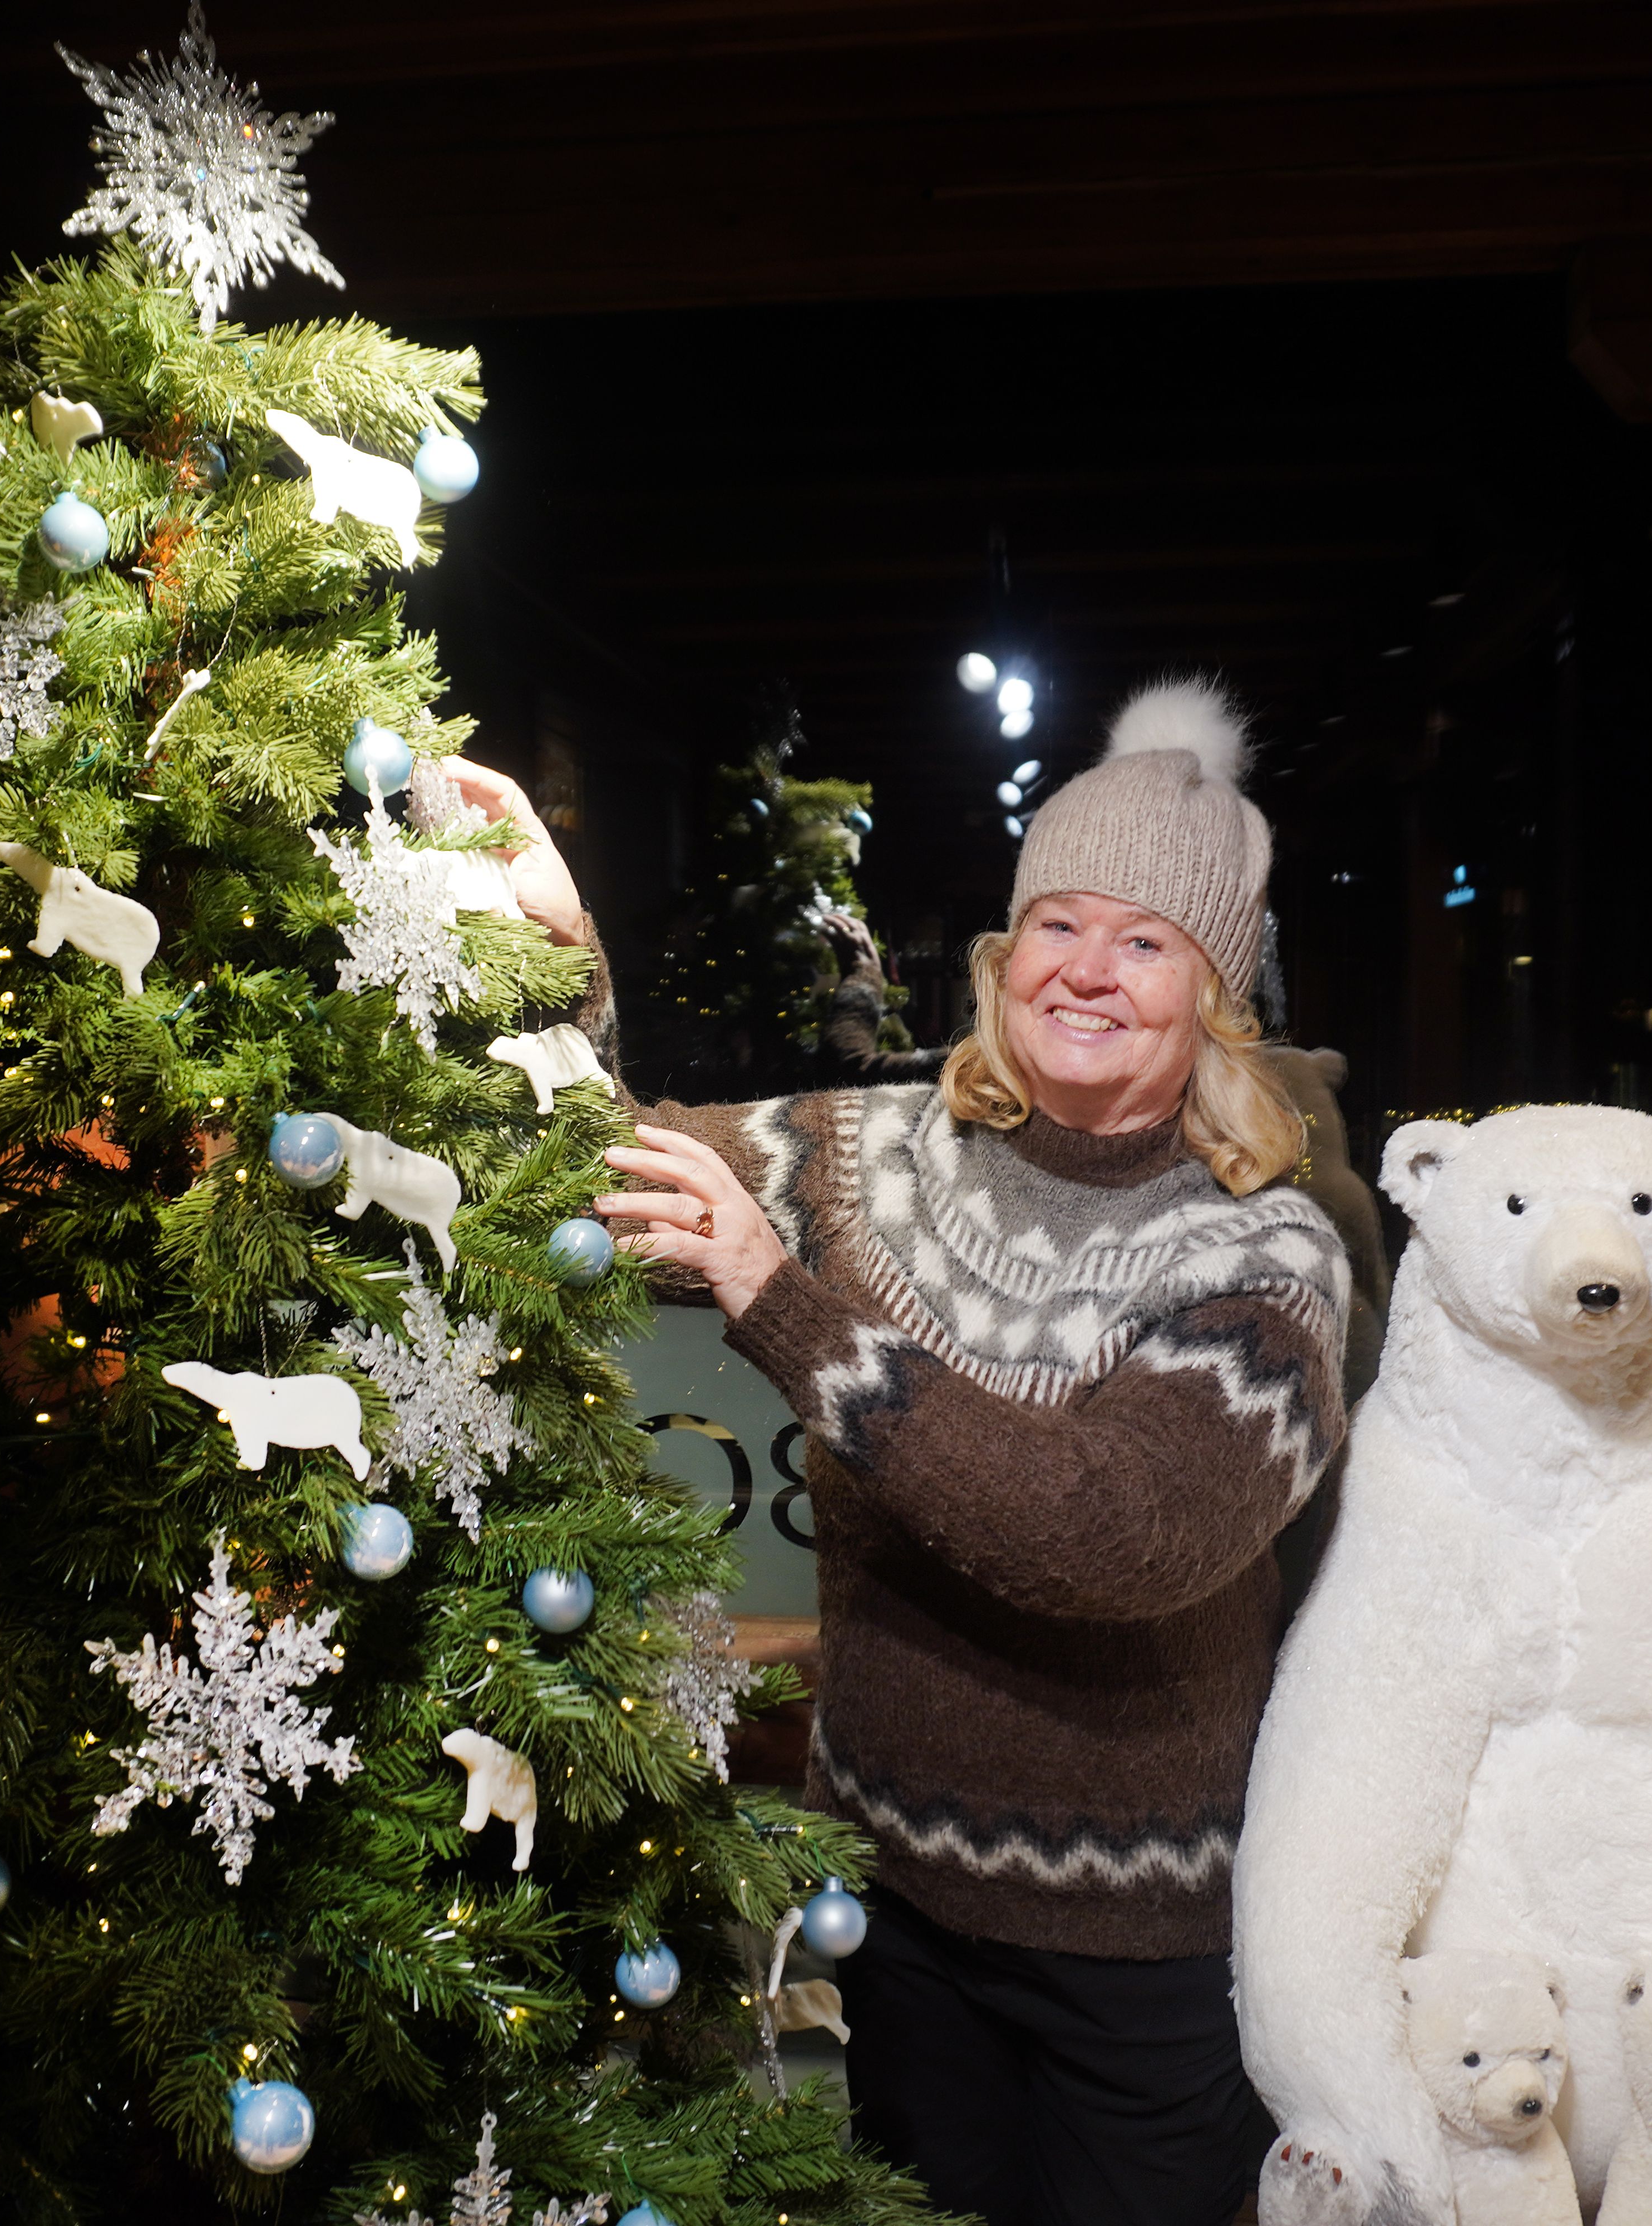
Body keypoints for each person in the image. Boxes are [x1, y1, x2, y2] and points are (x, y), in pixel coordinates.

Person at [448, 677, 1351, 2226]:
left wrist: (783, 1307)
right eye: (1057, 923)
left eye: (1145, 943)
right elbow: (588, 1159)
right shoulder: (873, 1157)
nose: (1088, 971)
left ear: (1215, 993)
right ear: (1006, 957)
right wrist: (547, 941)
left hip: (1147, 1946)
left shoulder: (1267, 1256)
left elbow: (1108, 1535)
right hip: (897, 1902)